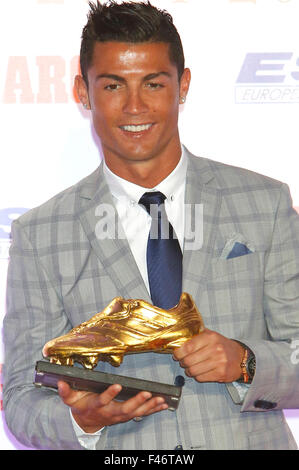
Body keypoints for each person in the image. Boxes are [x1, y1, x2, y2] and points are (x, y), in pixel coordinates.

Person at [3, 0, 299, 450]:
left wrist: (246, 361)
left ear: (183, 85)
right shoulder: (41, 234)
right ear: (83, 93)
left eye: (154, 84)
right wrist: (83, 420)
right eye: (113, 86)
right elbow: (21, 397)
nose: (135, 106)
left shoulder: (265, 204)